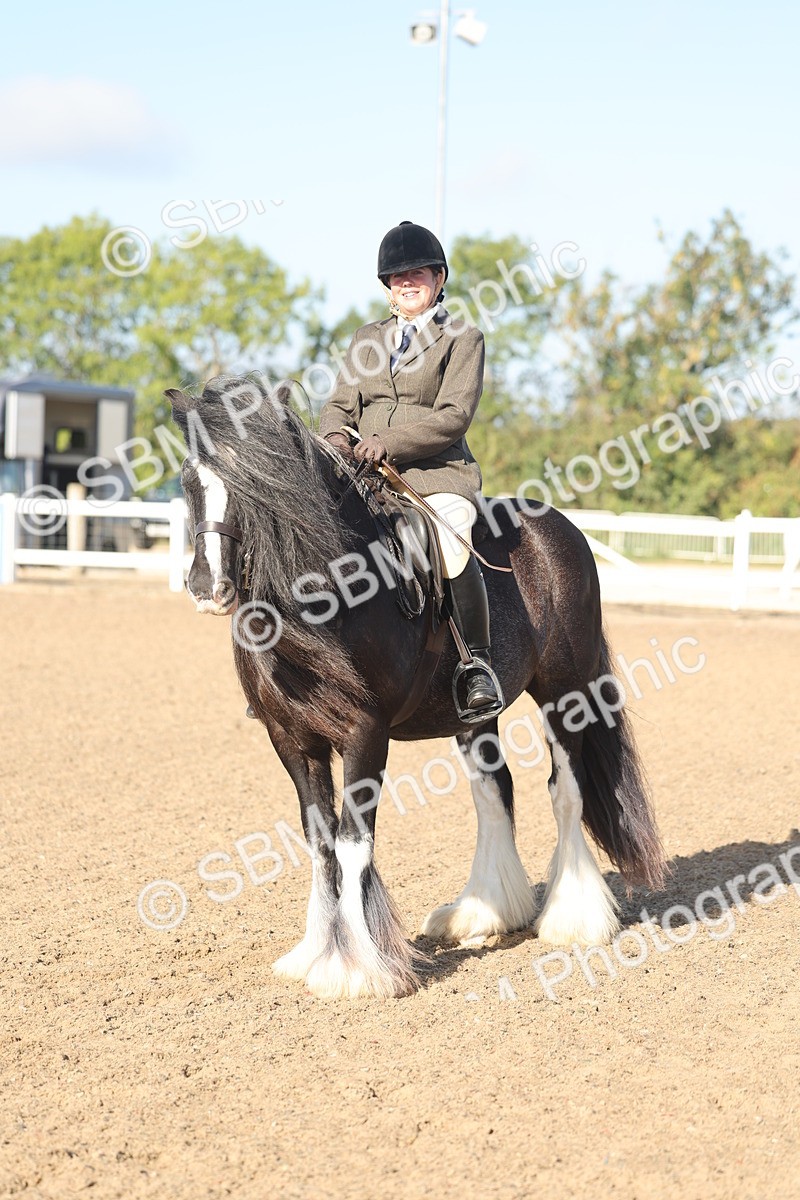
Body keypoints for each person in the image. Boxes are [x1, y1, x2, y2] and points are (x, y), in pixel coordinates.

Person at [319, 220, 501, 715]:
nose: (407, 282)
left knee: (448, 539)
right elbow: (339, 403)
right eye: (397, 277)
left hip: (435, 475)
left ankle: (475, 666)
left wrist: (389, 443)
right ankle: (298, 657)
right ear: (387, 288)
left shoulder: (462, 338)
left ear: (439, 278)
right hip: (361, 473)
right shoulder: (366, 339)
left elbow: (454, 416)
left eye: (417, 273)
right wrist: (336, 434)